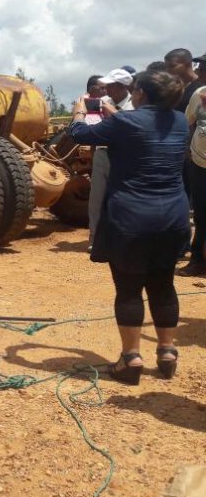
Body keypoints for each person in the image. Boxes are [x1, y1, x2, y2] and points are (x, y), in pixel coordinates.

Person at [67, 70, 189, 384]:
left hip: (132, 219)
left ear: (141, 94)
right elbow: (143, 129)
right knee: (163, 286)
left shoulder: (125, 123)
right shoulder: (177, 121)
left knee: (129, 290)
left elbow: (79, 134)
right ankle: (167, 351)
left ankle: (131, 357)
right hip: (173, 218)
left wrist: (80, 108)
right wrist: (115, 114)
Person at [87, 69, 135, 244]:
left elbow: (131, 128)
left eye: (110, 85)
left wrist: (113, 112)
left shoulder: (135, 104)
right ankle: (95, 239)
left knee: (125, 197)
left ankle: (125, 239)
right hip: (102, 153)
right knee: (97, 198)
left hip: (125, 156)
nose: (106, 89)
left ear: (121, 87)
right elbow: (91, 127)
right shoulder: (100, 101)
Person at [182, 77, 206, 276]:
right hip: (200, 164)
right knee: (200, 215)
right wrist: (187, 150)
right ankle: (198, 260)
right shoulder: (199, 94)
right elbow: (186, 122)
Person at [164, 48, 200, 112]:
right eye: (166, 67)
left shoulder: (201, 87)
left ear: (188, 64)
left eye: (172, 66)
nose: (167, 70)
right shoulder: (172, 88)